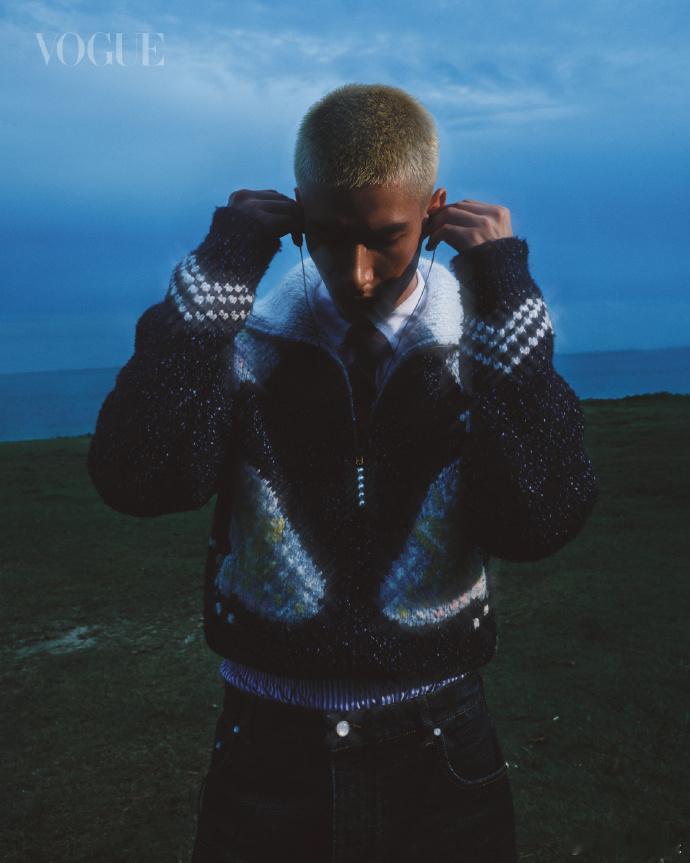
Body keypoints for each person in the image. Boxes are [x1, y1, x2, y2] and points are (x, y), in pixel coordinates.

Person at [87, 82, 599, 862]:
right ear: (297, 212)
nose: (355, 273)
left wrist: (502, 287)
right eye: (325, 236)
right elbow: (139, 475)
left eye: (385, 237)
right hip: (266, 747)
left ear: (434, 211)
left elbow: (539, 518)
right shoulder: (243, 342)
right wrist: (224, 260)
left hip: (441, 751)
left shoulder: (486, 346)